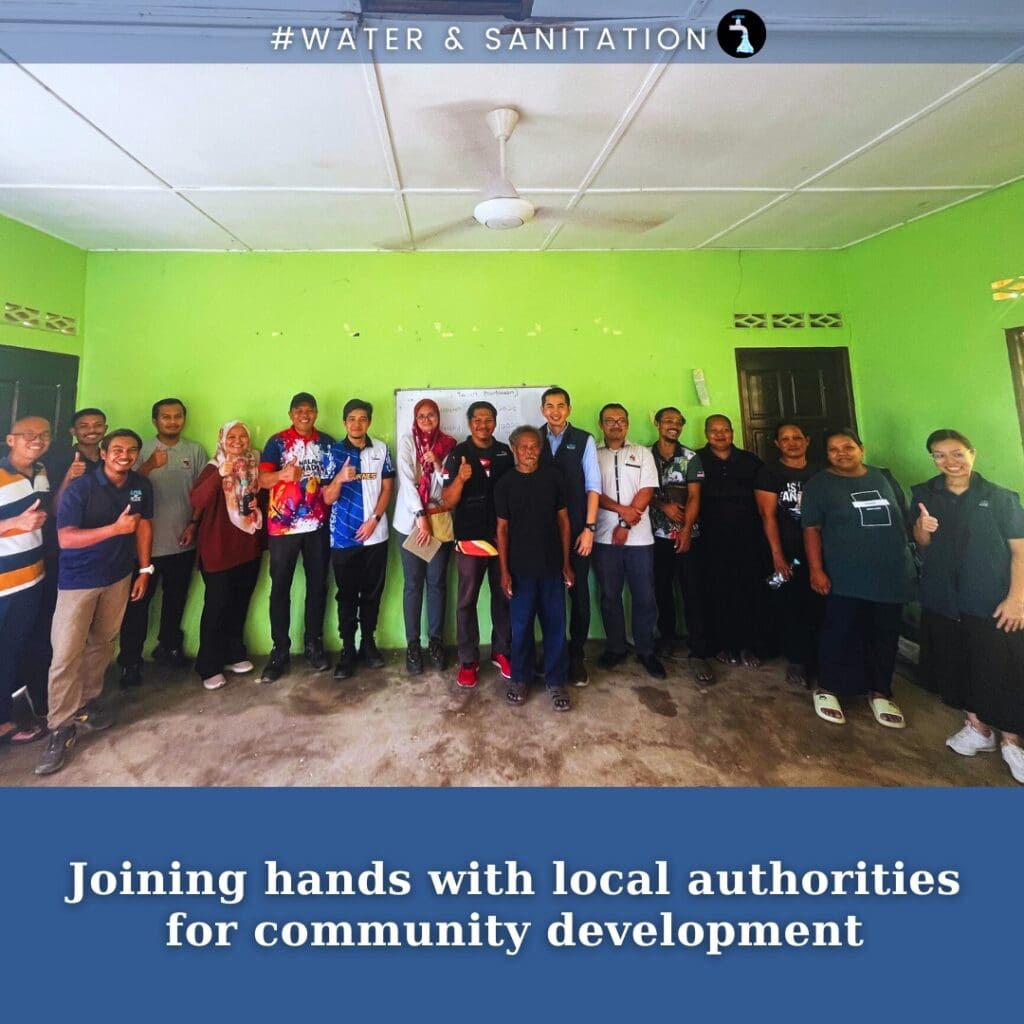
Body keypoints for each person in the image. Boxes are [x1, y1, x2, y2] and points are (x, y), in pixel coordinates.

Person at [35, 429, 153, 775]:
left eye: (131, 450)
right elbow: (66, 538)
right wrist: (113, 531)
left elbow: (144, 526)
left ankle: (86, 703)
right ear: (102, 453)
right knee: (66, 653)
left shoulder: (139, 485)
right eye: (117, 449)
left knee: (102, 644)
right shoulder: (81, 488)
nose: (125, 455)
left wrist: (144, 569)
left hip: (118, 577)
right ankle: (60, 725)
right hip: (78, 581)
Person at [911, 429, 1024, 784]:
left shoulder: (1000, 497)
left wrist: (1017, 598)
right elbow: (921, 544)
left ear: (972, 453)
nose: (950, 462)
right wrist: (922, 527)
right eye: (940, 455)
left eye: (957, 453)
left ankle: (1010, 741)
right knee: (958, 665)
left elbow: (1020, 551)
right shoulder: (924, 494)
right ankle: (977, 728)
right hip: (944, 600)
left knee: (1001, 671)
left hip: (992, 601)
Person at [802, 428, 915, 728]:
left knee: (885, 633)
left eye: (848, 447)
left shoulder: (884, 478)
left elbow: (904, 522)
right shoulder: (819, 485)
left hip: (890, 573)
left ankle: (881, 691)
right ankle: (827, 687)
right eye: (834, 449)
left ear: (861, 449)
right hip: (845, 574)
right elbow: (811, 529)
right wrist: (816, 569)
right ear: (826, 455)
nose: (842, 453)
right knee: (839, 631)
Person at [118, 398, 206, 686]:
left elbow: (201, 494)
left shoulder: (194, 451)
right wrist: (148, 466)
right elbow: (126, 490)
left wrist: (194, 524)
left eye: (177, 416)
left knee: (175, 600)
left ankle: (169, 646)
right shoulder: (137, 450)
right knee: (138, 607)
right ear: (155, 421)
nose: (172, 421)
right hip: (143, 550)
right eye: (165, 417)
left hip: (182, 541)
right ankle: (130, 661)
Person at [495, 425, 575, 711]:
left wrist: (566, 563)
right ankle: (520, 677)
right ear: (514, 448)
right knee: (522, 626)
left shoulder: (553, 478)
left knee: (555, 625)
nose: (529, 452)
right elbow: (501, 530)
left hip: (553, 567)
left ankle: (556, 680)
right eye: (523, 447)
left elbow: (564, 521)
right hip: (520, 570)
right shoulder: (505, 483)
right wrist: (504, 571)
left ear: (541, 449)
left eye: (535, 447)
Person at [258, 392, 334, 682]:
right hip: (283, 529)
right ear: (291, 414)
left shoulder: (326, 442)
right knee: (280, 589)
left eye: (310, 410)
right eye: (299, 410)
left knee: (318, 586)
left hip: (317, 527)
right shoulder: (277, 442)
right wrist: (281, 476)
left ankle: (314, 644)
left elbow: (330, 483)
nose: (305, 415)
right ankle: (280, 651)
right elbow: (261, 480)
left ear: (316, 413)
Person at [442, 401, 514, 688]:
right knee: (466, 601)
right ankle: (469, 660)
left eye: (488, 419)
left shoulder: (504, 453)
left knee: (504, 596)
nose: (483, 425)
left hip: (501, 538)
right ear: (470, 423)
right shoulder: (458, 454)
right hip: (469, 538)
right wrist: (460, 479)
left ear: (495, 423)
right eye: (477, 420)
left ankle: (501, 651)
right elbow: (447, 501)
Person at [321, 399, 395, 680]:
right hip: (343, 538)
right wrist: (339, 478)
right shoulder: (334, 451)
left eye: (362, 419)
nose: (356, 424)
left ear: (369, 422)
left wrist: (375, 519)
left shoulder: (381, 449)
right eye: (351, 419)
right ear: (344, 423)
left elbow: (388, 487)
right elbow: (327, 497)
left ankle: (368, 644)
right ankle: (348, 650)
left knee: (373, 594)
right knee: (347, 595)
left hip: (375, 535)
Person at [188, 421, 264, 691]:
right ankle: (208, 665)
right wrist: (221, 474)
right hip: (218, 548)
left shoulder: (252, 464)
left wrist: (256, 502)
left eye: (243, 435)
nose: (238, 440)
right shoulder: (213, 466)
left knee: (240, 603)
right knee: (217, 606)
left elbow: (259, 494)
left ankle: (234, 654)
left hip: (247, 546)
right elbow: (197, 499)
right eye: (231, 436)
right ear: (221, 438)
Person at [593, 403, 665, 679]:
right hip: (603, 537)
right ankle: (616, 647)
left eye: (621, 420)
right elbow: (593, 491)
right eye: (609, 420)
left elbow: (647, 491)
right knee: (610, 596)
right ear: (601, 425)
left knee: (644, 596)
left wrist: (625, 522)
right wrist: (622, 513)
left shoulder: (642, 453)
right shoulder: (594, 454)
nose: (616, 424)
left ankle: (646, 650)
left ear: (628, 424)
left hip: (640, 539)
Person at [538, 387, 600, 686]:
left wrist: (589, 530)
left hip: (577, 531)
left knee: (578, 595)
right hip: (542, 533)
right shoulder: (533, 439)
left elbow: (593, 487)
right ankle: (552, 652)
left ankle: (576, 656)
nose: (555, 411)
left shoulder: (584, 439)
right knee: (547, 595)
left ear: (569, 409)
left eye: (561, 405)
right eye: (549, 406)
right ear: (542, 410)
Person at [755, 421, 825, 687]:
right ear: (777, 444)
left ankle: (819, 657)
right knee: (791, 601)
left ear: (807, 440)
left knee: (819, 601)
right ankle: (796, 659)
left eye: (797, 437)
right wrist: (777, 554)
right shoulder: (769, 472)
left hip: (821, 548)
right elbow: (768, 515)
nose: (792, 442)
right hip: (788, 549)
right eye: (785, 439)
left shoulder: (822, 471)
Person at [697, 414, 766, 669]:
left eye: (724, 430)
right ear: (706, 433)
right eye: (714, 430)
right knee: (715, 590)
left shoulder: (750, 461)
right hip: (709, 538)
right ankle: (721, 645)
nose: (720, 434)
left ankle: (748, 645)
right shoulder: (696, 459)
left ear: (732, 432)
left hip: (747, 537)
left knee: (748, 590)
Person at [393, 398, 455, 675]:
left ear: (438, 417)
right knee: (413, 584)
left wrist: (439, 463)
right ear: (415, 419)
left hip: (439, 522)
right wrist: (420, 517)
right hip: (410, 524)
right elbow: (406, 480)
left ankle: (436, 642)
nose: (427, 420)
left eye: (431, 415)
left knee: (437, 584)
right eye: (421, 416)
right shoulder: (407, 442)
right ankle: (413, 645)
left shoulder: (449, 444)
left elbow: (449, 484)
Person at [649, 406, 710, 684]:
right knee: (662, 591)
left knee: (694, 594)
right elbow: (641, 492)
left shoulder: (690, 458)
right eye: (668, 421)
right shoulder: (644, 455)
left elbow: (695, 497)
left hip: (688, 537)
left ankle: (698, 651)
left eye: (678, 422)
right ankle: (667, 638)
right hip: (655, 537)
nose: (673, 425)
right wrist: (663, 505)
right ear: (657, 424)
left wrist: (686, 530)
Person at [1, 416, 51, 747]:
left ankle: (9, 712)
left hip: (33, 579)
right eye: (28, 435)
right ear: (10, 440)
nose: (37, 440)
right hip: (4, 585)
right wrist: (15, 522)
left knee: (15, 650)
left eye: (44, 435)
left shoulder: (42, 472)